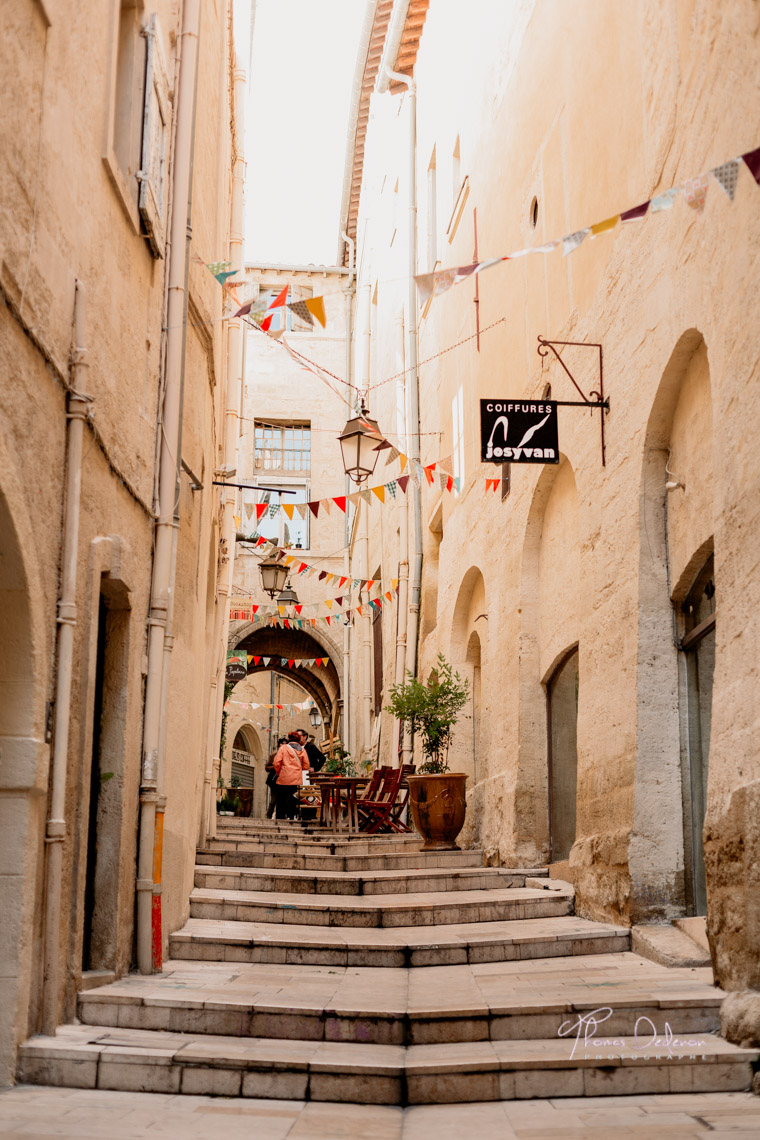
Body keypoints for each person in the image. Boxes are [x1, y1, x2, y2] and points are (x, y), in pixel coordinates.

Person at [272, 731, 311, 819]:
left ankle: (280, 817)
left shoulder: (283, 748)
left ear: (289, 739)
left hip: (283, 778)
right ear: (298, 740)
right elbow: (306, 765)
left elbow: (276, 763)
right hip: (295, 779)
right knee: (292, 798)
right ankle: (291, 816)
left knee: (281, 799)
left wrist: (279, 772)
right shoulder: (302, 750)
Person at [265, 737, 287, 818]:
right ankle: (268, 816)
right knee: (273, 800)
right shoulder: (273, 755)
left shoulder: (288, 756)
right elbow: (267, 768)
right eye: (282, 744)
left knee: (282, 800)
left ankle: (281, 816)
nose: (283, 746)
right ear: (279, 745)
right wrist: (275, 766)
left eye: (285, 744)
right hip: (274, 780)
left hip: (284, 780)